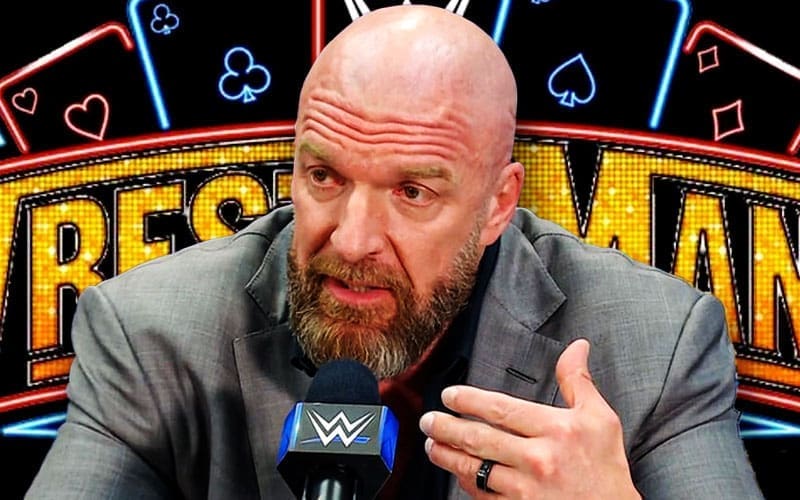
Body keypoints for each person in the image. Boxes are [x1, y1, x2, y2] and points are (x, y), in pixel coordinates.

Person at [27, 5, 763, 499]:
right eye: (324, 176)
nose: (351, 240)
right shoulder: (149, 334)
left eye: (413, 191)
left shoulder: (657, 346)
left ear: (497, 204)